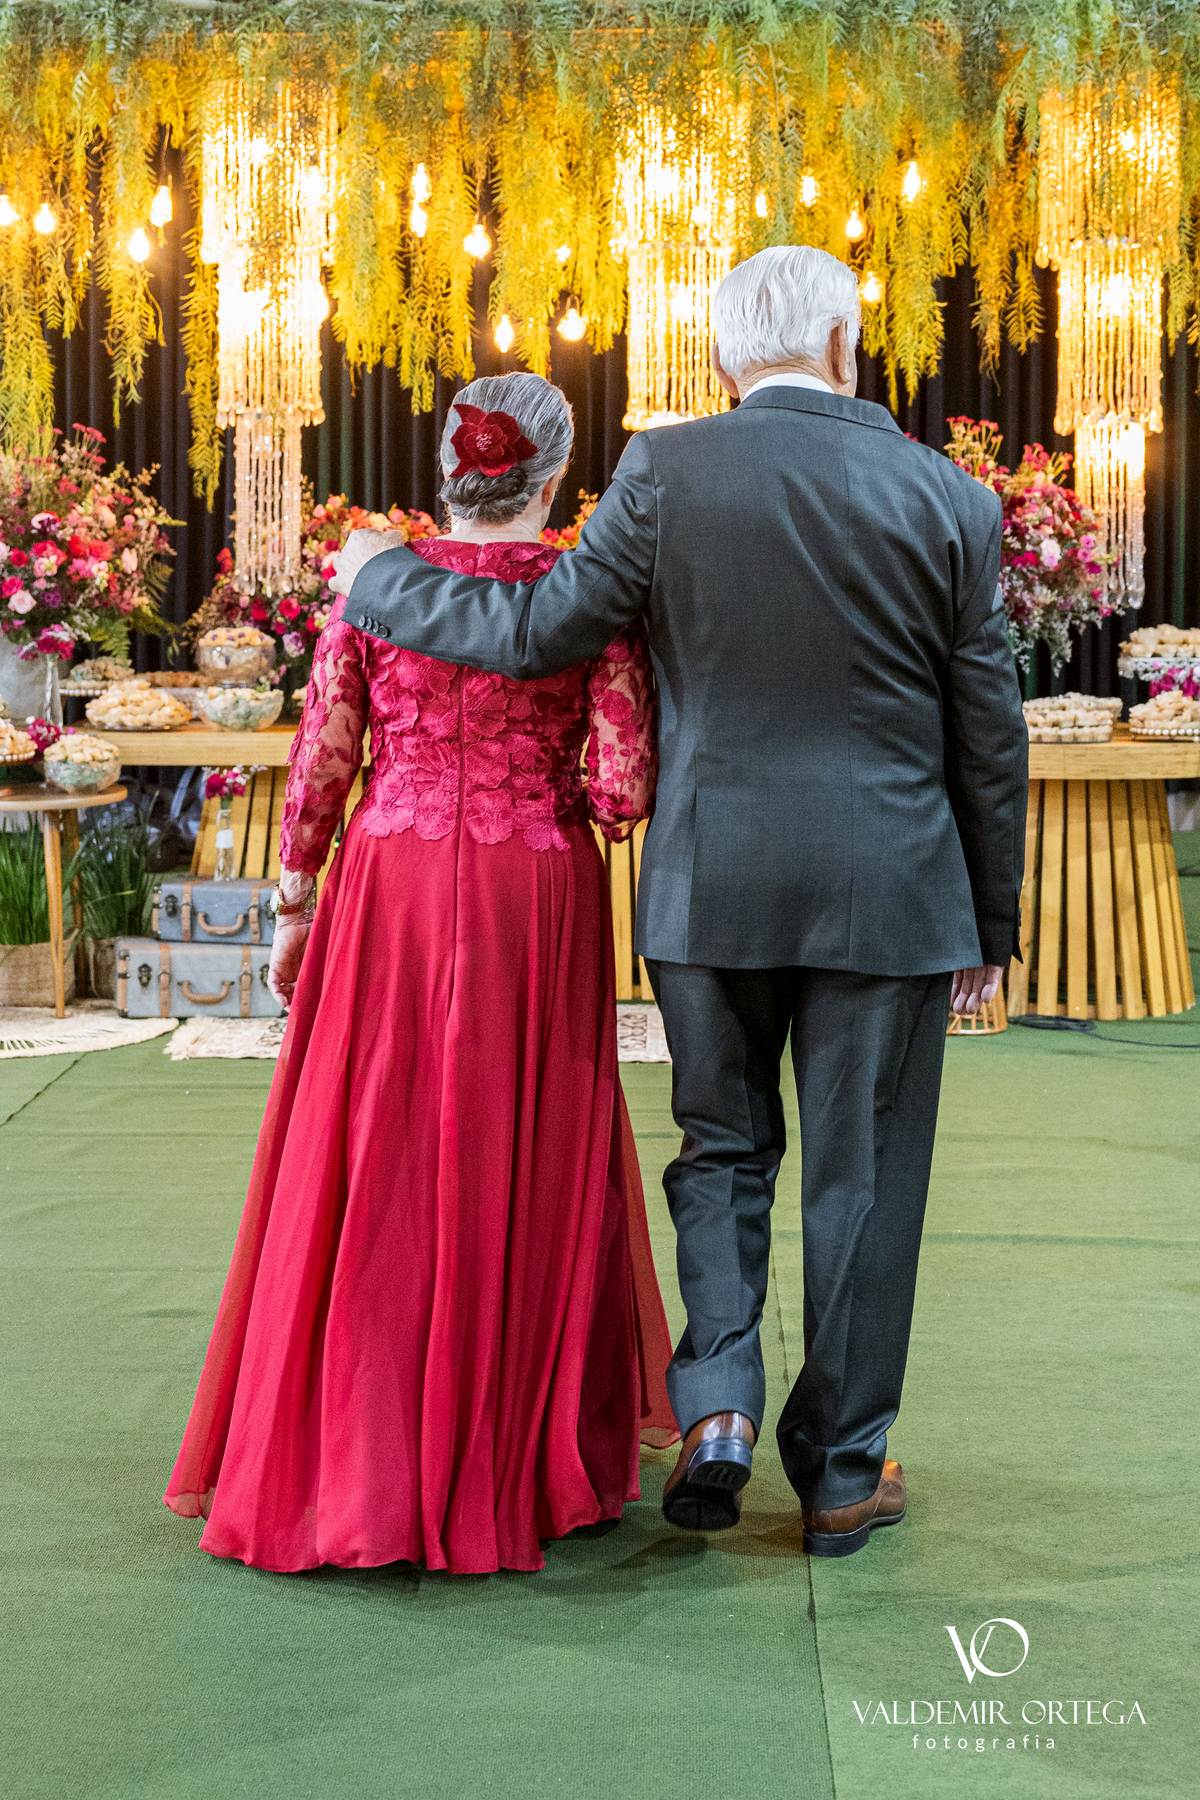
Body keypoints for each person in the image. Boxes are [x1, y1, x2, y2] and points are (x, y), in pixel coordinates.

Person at [332, 246, 1028, 1558]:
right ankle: (841, 1474)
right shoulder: (950, 496)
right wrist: (991, 922)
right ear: (846, 347)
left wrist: (381, 578)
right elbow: (988, 731)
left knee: (722, 1152)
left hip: (711, 880)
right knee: (865, 1181)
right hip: (892, 889)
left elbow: (535, 634)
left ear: (718, 359)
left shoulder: (663, 470)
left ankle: (716, 1408)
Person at [163, 372, 678, 1576]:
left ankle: (354, 1454)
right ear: (555, 475)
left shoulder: (376, 584)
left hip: (388, 881)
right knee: (518, 1147)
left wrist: (295, 902)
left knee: (373, 1146)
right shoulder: (586, 596)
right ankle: (516, 1455)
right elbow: (622, 792)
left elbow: (322, 755)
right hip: (531, 889)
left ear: (451, 468)